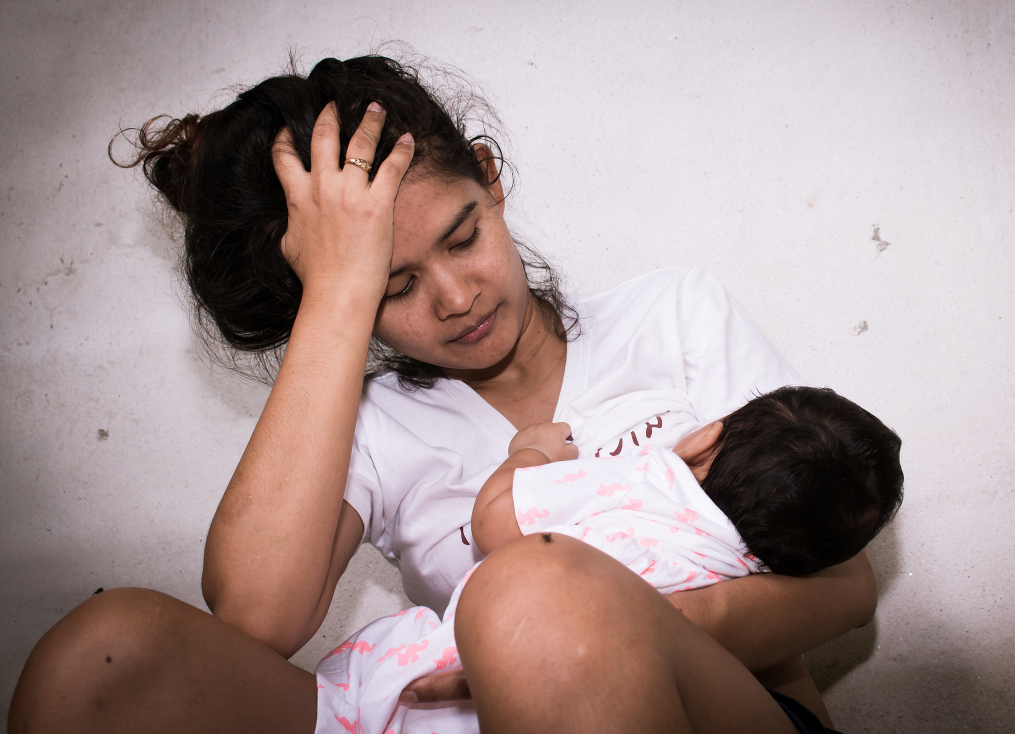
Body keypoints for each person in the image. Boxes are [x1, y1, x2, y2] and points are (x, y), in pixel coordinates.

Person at [10, 54, 880, 734]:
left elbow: (845, 589)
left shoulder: (674, 314)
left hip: (737, 715)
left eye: (463, 238)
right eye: (394, 286)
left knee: (530, 592)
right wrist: (336, 295)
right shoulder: (372, 428)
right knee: (108, 656)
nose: (457, 297)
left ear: (491, 182)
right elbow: (252, 617)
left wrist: (574, 636)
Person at [314, 385, 904, 734]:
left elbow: (496, 524)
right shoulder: (769, 561)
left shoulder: (653, 478)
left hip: (489, 661)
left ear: (702, 439)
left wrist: (532, 453)